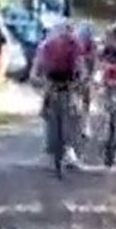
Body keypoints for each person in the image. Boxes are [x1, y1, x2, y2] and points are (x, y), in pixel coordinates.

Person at [30, 21, 86, 167]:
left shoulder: (47, 45)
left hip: (53, 81)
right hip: (67, 81)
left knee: (51, 112)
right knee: (73, 115)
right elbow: (81, 67)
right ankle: (69, 151)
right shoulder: (74, 44)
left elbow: (38, 67)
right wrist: (81, 82)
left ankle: (53, 149)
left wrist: (36, 79)